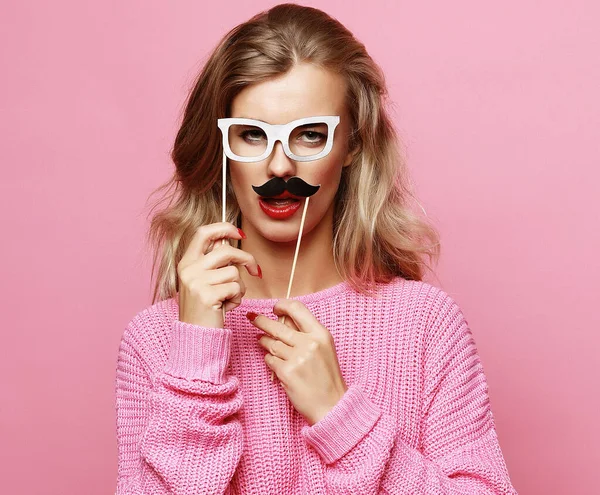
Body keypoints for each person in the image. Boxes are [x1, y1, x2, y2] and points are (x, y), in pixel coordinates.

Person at [115, 3, 518, 494]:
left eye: (309, 134)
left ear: (352, 144)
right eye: (252, 135)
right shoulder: (156, 341)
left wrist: (342, 418)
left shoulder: (425, 326)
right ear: (222, 147)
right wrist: (198, 354)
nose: (280, 167)